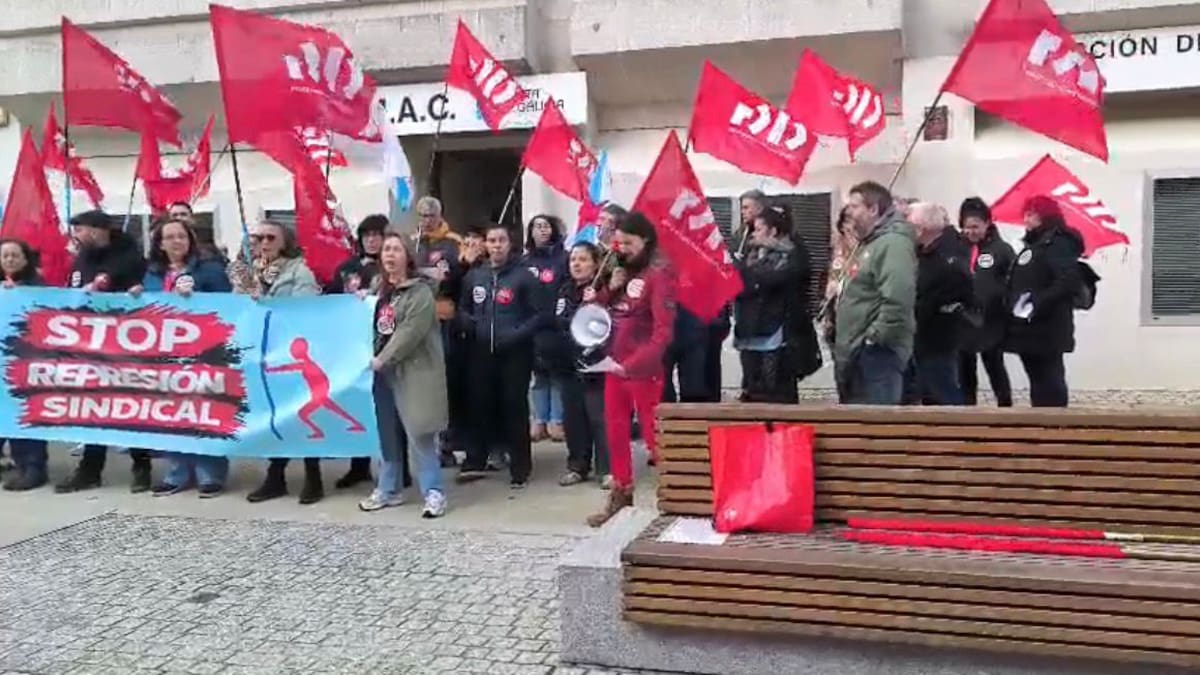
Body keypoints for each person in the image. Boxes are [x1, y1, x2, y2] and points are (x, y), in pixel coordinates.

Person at [123, 219, 235, 497]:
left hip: (202, 353)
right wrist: (136, 296)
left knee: (204, 413)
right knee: (172, 415)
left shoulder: (209, 270)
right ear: (160, 243)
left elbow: (227, 305)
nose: (176, 242)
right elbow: (147, 311)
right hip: (164, 356)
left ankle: (211, 473)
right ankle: (178, 472)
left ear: (190, 240)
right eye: (169, 237)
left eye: (181, 236)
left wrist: (197, 299)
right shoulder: (152, 274)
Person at [586, 212, 675, 528]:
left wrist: (634, 364)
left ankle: (676, 496)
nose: (621, 247)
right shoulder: (618, 270)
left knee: (654, 436)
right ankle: (621, 492)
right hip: (613, 364)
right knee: (615, 431)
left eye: (628, 242)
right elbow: (600, 311)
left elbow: (663, 332)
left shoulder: (658, 275)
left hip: (641, 370)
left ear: (645, 241)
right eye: (618, 241)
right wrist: (607, 289)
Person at [56, 209, 151, 494]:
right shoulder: (82, 257)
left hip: (127, 344)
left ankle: (141, 465)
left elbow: (137, 285)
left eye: (81, 230)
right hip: (90, 346)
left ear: (98, 230)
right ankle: (90, 469)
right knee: (95, 407)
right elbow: (73, 289)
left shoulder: (130, 256)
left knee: (131, 405)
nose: (77, 237)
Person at [360, 232, 449, 517]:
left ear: (407, 256)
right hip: (382, 375)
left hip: (414, 371)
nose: (389, 254)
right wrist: (361, 304)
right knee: (387, 435)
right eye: (386, 249)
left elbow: (410, 332)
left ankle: (434, 492)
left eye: (396, 249)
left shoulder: (420, 291)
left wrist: (383, 358)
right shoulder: (379, 289)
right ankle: (389, 489)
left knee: (419, 434)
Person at [243, 220, 325, 504]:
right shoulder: (250, 272)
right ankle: (275, 475)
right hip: (262, 354)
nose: (264, 243)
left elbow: (305, 309)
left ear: (284, 242)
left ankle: (313, 476)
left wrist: (267, 302)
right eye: (259, 238)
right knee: (275, 416)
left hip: (289, 352)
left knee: (300, 414)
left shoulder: (299, 272)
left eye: (270, 237)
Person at [456, 224, 543, 488]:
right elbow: (463, 307)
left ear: (510, 244)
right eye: (491, 240)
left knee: (514, 407)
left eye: (501, 240)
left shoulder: (524, 276)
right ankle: (476, 459)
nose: (496, 245)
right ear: (485, 245)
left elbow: (539, 314)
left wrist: (516, 334)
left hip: (514, 353)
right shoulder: (475, 276)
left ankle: (521, 466)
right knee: (480, 404)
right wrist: (470, 324)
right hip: (481, 351)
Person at [834, 182, 917, 406]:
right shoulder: (868, 244)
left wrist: (874, 338)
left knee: (875, 429)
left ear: (873, 209)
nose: (849, 212)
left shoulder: (893, 244)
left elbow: (898, 296)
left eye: (855, 206)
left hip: (876, 355)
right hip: (853, 351)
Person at [325, 214, 388, 490]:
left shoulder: (394, 264)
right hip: (353, 347)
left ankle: (397, 467)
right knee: (357, 405)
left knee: (388, 409)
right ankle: (358, 466)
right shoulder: (347, 268)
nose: (373, 240)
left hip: (386, 346)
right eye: (367, 235)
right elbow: (329, 300)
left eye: (378, 234)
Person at [1004, 196, 1083, 408]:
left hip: (1047, 328)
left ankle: (1054, 428)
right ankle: (1039, 426)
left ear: (1044, 215)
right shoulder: (1034, 244)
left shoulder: (1057, 243)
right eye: (1025, 214)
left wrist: (1037, 301)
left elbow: (1067, 280)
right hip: (1028, 329)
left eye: (1031, 214)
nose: (1026, 219)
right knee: (1037, 381)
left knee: (1049, 381)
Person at [413, 196, 465, 468]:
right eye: (422, 215)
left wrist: (429, 273)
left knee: (446, 381)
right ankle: (430, 441)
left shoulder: (452, 242)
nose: (426, 220)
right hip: (416, 319)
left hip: (445, 318)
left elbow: (453, 276)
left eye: (430, 215)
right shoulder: (414, 242)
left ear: (440, 214)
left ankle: (450, 442)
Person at [734, 204, 804, 403]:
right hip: (749, 327)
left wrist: (748, 277)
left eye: (758, 230)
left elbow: (771, 280)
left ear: (772, 231)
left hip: (772, 327)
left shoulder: (788, 256)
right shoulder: (749, 255)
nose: (753, 235)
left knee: (772, 387)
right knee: (751, 382)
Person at [555, 242, 611, 487]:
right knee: (574, 418)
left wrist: (595, 303)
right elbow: (562, 320)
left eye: (583, 259)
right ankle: (578, 464)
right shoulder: (565, 290)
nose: (576, 264)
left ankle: (607, 468)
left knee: (599, 418)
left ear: (595, 263)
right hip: (569, 363)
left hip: (597, 364)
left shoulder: (604, 290)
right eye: (573, 260)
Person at [908, 203, 973, 405]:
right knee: (928, 394)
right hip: (922, 338)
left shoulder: (948, 257)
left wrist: (920, 310)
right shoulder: (924, 253)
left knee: (943, 393)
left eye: (910, 225)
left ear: (922, 228)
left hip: (937, 338)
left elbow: (954, 291)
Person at [0, 239, 49, 491]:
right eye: (5, 255)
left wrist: (17, 297)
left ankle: (33, 467)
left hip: (26, 366)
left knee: (23, 416)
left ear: (25, 259)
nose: (9, 260)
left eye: (14, 255)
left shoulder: (38, 289)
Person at [958, 197, 1015, 407]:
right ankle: (967, 408)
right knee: (965, 369)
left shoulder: (1002, 250)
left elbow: (1013, 281)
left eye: (975, 227)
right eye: (966, 227)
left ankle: (1005, 406)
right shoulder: (958, 249)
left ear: (987, 224)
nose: (971, 232)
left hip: (991, 320)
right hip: (964, 320)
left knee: (994, 366)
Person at [523, 214, 569, 442]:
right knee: (538, 376)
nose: (542, 230)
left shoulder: (563, 259)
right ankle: (539, 419)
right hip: (531, 326)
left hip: (555, 325)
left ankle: (557, 420)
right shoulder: (524, 261)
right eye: (537, 226)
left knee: (557, 376)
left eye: (546, 226)